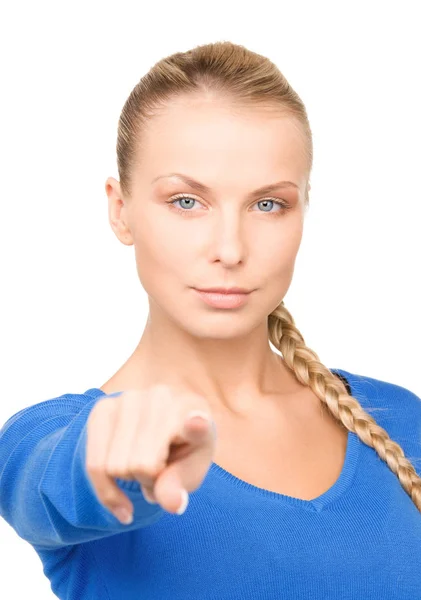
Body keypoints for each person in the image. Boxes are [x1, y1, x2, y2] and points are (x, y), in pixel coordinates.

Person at [0, 40, 420, 599]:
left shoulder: (399, 417)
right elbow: (44, 486)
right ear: (120, 210)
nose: (229, 248)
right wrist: (101, 452)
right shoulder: (48, 439)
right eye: (186, 202)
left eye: (267, 204)